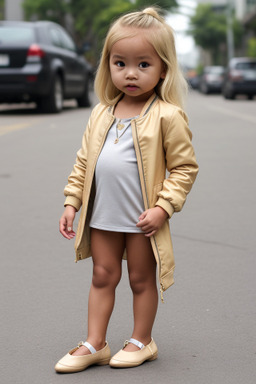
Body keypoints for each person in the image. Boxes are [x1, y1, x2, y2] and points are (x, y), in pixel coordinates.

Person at [55, 7, 198, 373]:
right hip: (102, 215)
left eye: (143, 65)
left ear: (163, 68)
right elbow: (83, 162)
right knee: (102, 275)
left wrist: (163, 208)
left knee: (139, 278)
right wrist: (72, 202)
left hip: (142, 218)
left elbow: (184, 168)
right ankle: (95, 342)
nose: (130, 73)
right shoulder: (102, 112)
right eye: (120, 63)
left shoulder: (167, 115)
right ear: (108, 65)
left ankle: (141, 339)